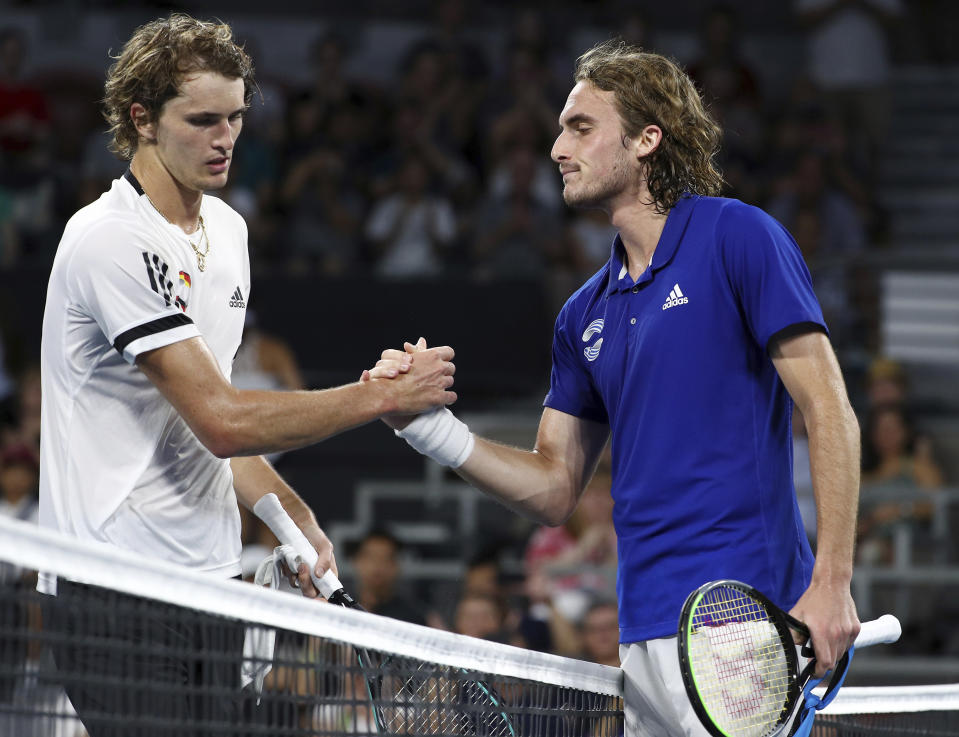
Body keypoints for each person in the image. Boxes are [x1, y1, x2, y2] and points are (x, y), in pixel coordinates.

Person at [374, 40, 861, 737]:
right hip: (640, 639)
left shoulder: (739, 238)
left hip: (743, 624)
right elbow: (552, 488)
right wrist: (427, 428)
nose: (554, 148)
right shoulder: (581, 314)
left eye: (579, 127)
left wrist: (832, 583)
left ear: (645, 139)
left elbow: (829, 410)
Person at [37, 14, 456, 737]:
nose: (225, 136)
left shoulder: (228, 233)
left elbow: (203, 433)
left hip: (213, 585)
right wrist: (380, 395)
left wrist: (288, 509)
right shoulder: (108, 238)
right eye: (201, 120)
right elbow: (222, 419)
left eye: (234, 116)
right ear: (142, 119)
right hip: (114, 588)